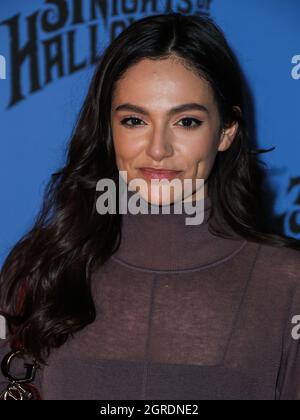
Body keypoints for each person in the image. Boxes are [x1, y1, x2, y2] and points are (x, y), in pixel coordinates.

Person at [1, 12, 300, 401]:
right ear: (109, 129)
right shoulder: (40, 267)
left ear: (226, 132)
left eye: (187, 121)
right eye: (135, 120)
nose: (158, 149)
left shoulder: (287, 284)